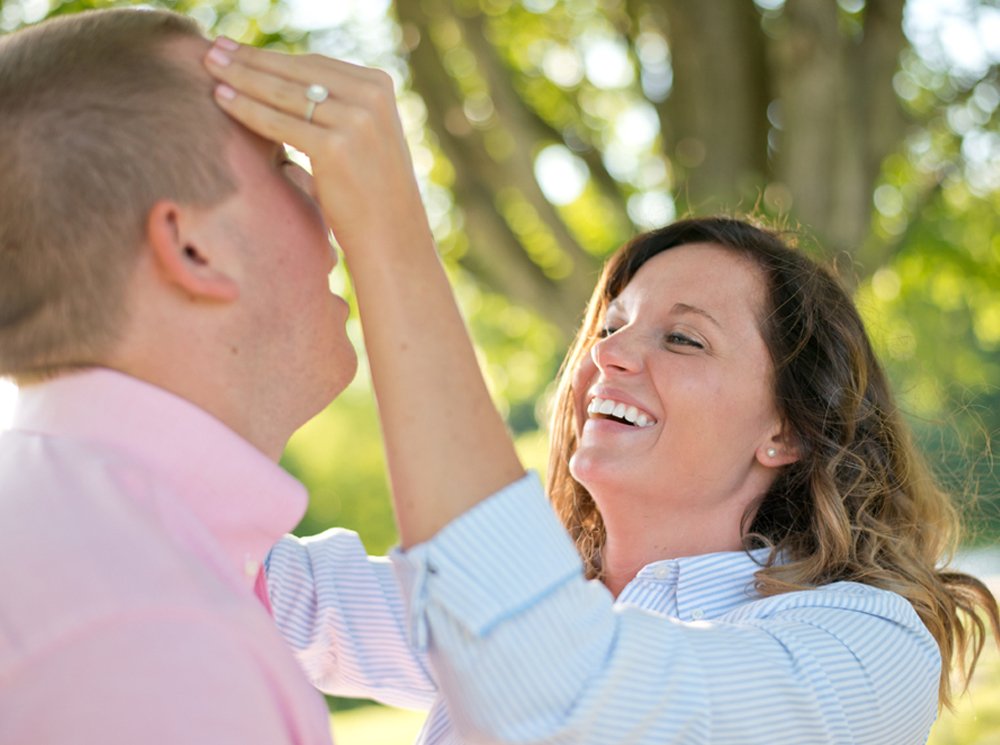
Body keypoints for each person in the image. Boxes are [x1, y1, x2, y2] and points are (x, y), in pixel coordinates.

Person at [204, 37, 1000, 744]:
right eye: (610, 326)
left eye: (682, 336)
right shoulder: (535, 594)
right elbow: (257, 581)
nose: (608, 355)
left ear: (786, 431)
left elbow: (571, 694)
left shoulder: (866, 645)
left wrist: (389, 226)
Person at [0, 10, 363, 743]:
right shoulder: (146, 627)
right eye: (283, 167)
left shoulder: (77, 533)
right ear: (192, 247)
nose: (336, 210)